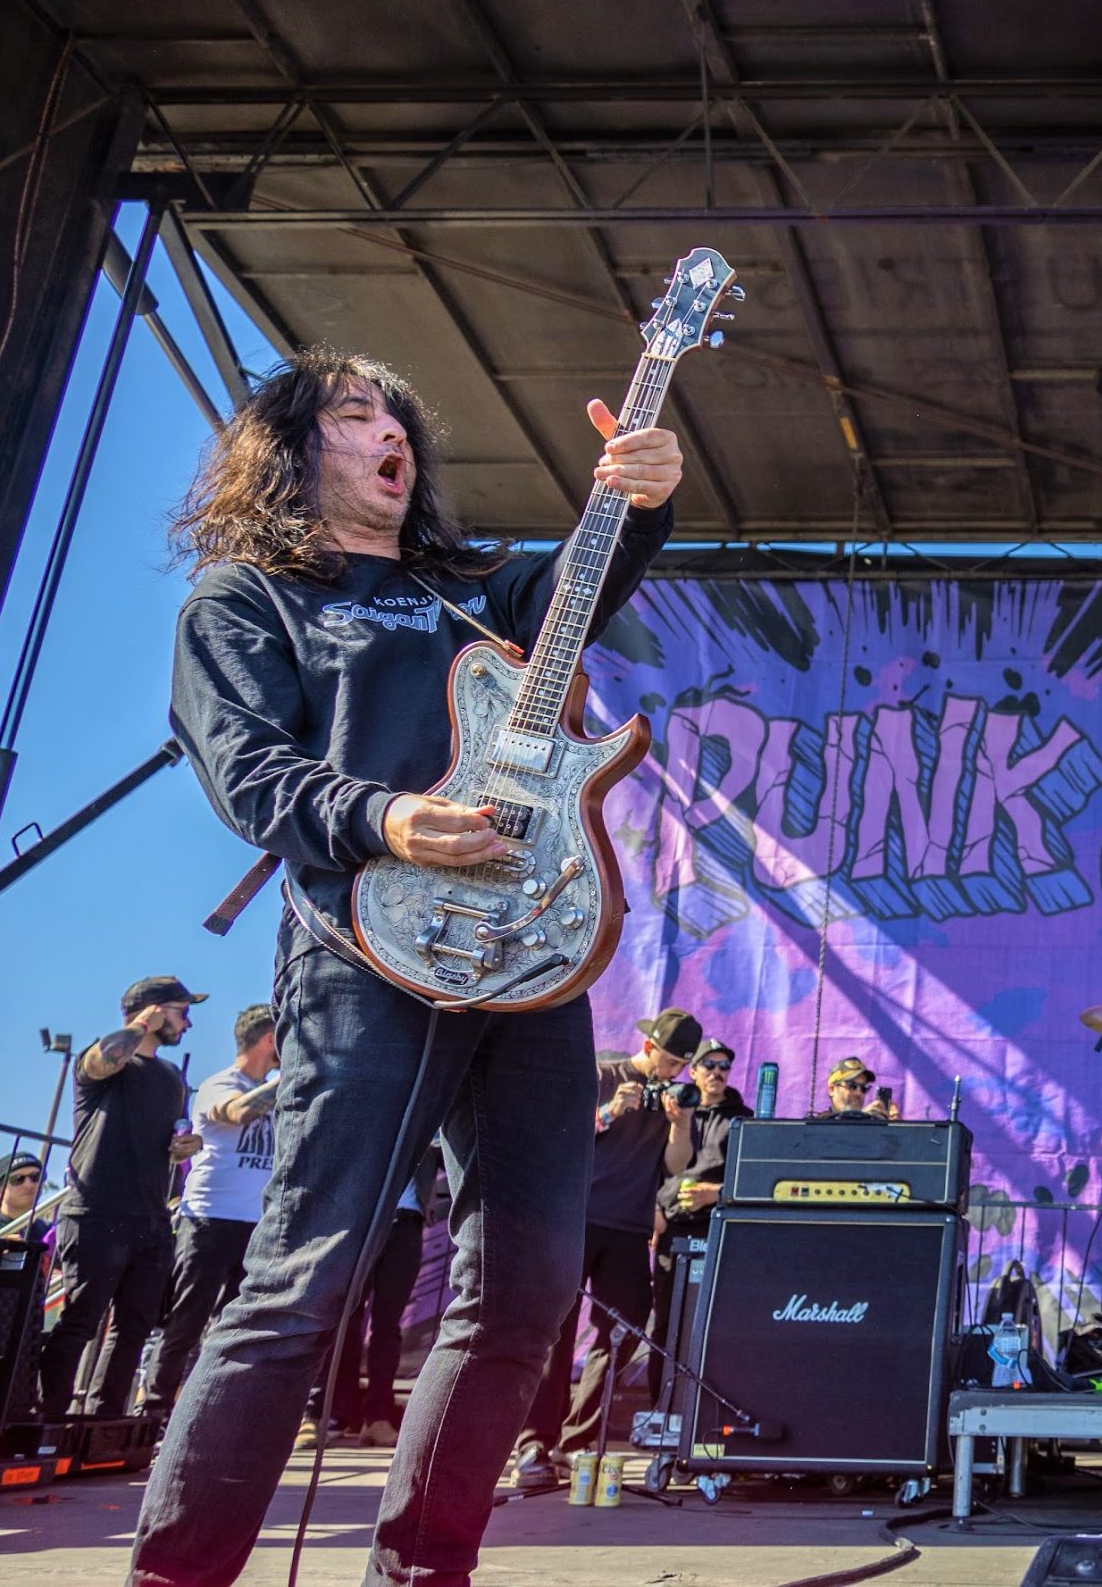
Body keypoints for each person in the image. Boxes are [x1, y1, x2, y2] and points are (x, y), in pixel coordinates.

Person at [129, 351, 680, 1587]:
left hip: (535, 958)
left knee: (528, 1290)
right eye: (352, 412)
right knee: (300, 1279)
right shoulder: (247, 595)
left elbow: (583, 590)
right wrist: (384, 817)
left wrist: (641, 498)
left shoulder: (473, 583)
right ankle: (177, 1575)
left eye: (396, 412)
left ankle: (422, 1572)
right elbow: (247, 772)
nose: (390, 429)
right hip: (366, 954)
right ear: (288, 450)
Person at [512, 1007, 702, 1489]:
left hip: (628, 1227)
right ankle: (534, 1442)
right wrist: (610, 1111)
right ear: (648, 1048)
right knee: (553, 1329)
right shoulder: (604, 1074)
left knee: (621, 1329)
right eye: (669, 1062)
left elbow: (678, 1167)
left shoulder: (671, 1098)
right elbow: (556, 1134)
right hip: (572, 1218)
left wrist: (679, 1123)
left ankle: (580, 1442)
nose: (674, 1072)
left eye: (682, 1065)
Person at [39, 976, 208, 1421]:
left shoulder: (172, 1077)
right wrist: (139, 1027)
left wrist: (185, 1146)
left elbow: (175, 1132)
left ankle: (104, 1419)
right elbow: (100, 1062)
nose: (187, 1023)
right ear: (151, 1011)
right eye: (181, 1011)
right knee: (81, 1319)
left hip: (150, 1218)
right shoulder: (106, 1058)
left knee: (135, 1326)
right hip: (96, 1211)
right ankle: (48, 1417)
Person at [149, 1003, 281, 1414]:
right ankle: (154, 1407)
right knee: (187, 1320)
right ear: (268, 1039)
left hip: (255, 1226)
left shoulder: (277, 1089)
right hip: (209, 1219)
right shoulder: (219, 1084)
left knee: (235, 1324)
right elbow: (238, 1112)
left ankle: (209, 1408)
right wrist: (295, 1071)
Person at [321, 1145, 445, 1448]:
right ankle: (334, 1413)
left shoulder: (429, 1104)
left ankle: (378, 1418)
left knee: (388, 1326)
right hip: (359, 1217)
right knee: (346, 1319)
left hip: (406, 1221)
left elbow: (447, 1145)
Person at [652, 1039, 751, 1398]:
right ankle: (660, 1411)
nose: (717, 1073)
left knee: (715, 1322)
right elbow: (646, 1163)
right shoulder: (670, 1108)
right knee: (666, 1321)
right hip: (672, 1228)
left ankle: (704, 1412)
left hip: (718, 1229)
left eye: (724, 1066)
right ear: (692, 1071)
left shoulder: (744, 1119)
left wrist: (716, 1193)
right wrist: (656, 1209)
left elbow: (754, 1181)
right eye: (709, 1065)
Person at [820, 1056, 896, 1118]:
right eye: (852, 1086)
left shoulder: (871, 1126)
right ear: (832, 1089)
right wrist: (862, 1116)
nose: (858, 1093)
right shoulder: (816, 1126)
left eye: (864, 1088)